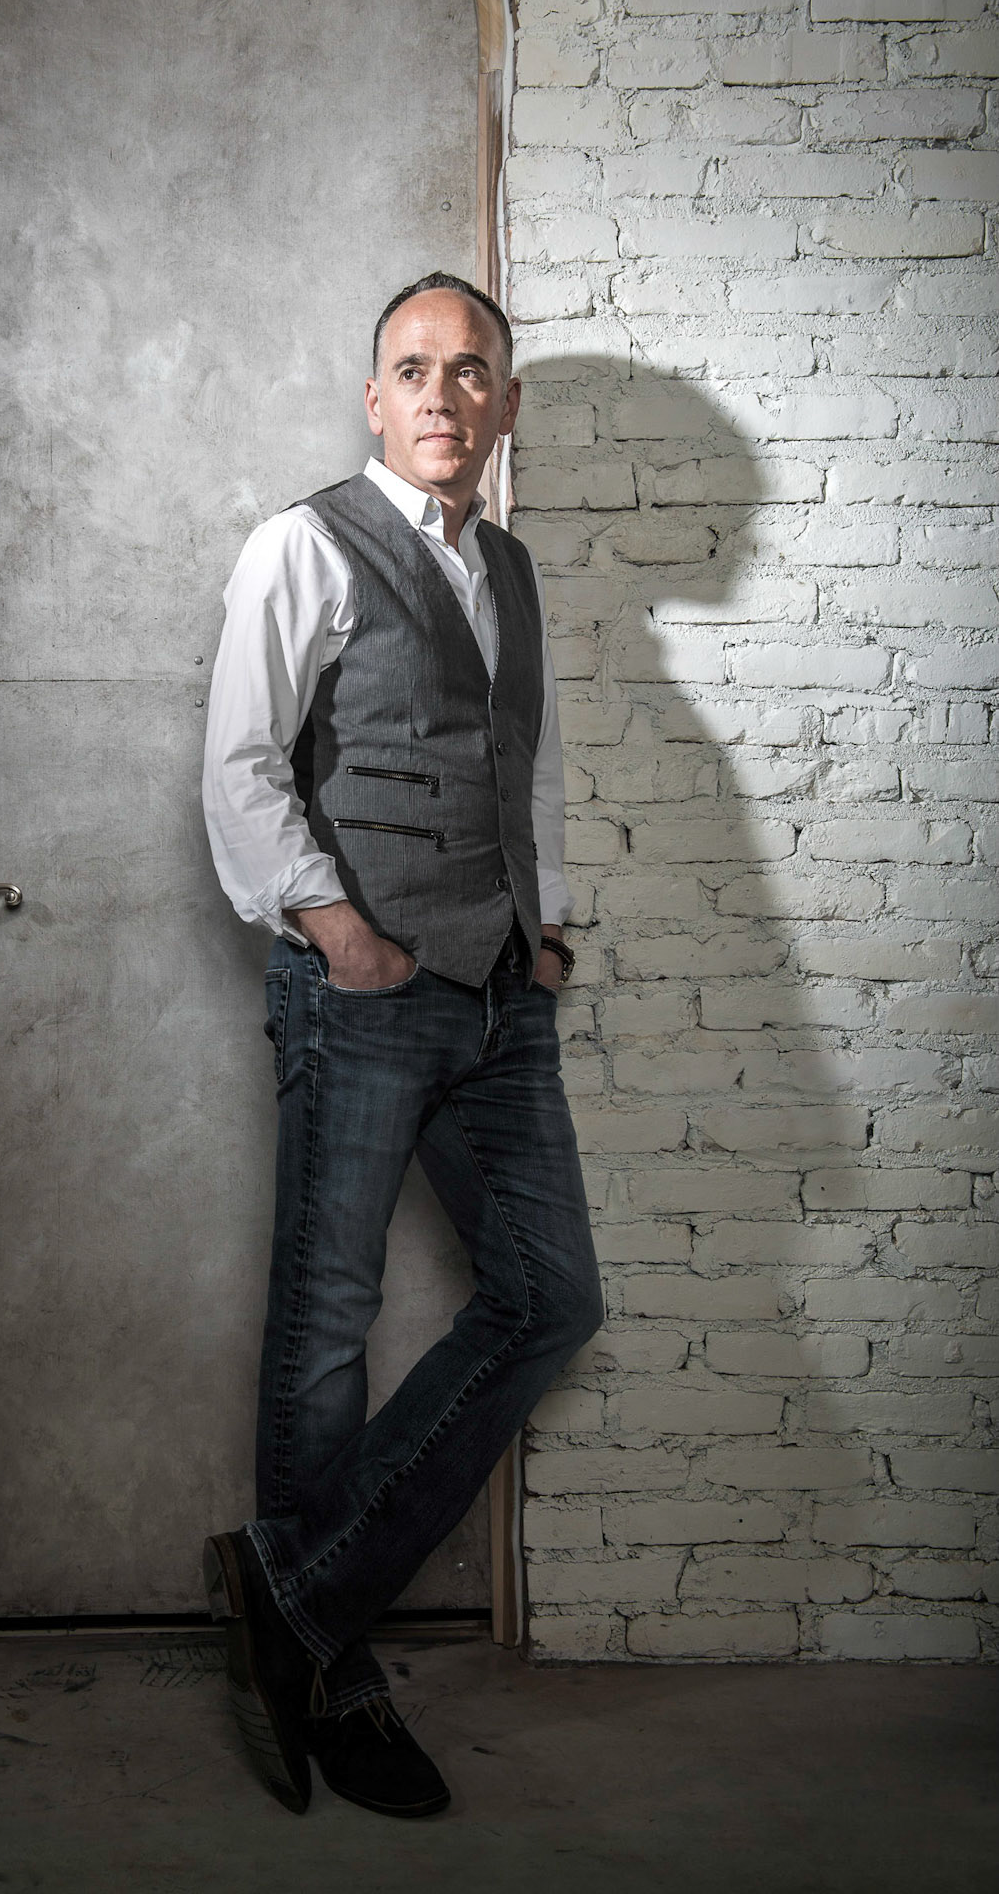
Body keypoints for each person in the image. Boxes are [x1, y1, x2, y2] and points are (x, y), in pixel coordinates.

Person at [200, 272, 605, 1819]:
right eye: (414, 368)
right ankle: (336, 1674)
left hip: (502, 997)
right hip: (362, 990)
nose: (443, 393)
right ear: (376, 398)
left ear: (504, 402)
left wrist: (546, 932)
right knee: (327, 1325)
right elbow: (241, 761)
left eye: (472, 369)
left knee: (549, 1298)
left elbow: (526, 769)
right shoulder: (305, 544)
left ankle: (289, 1607)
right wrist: (337, 930)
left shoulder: (512, 569)